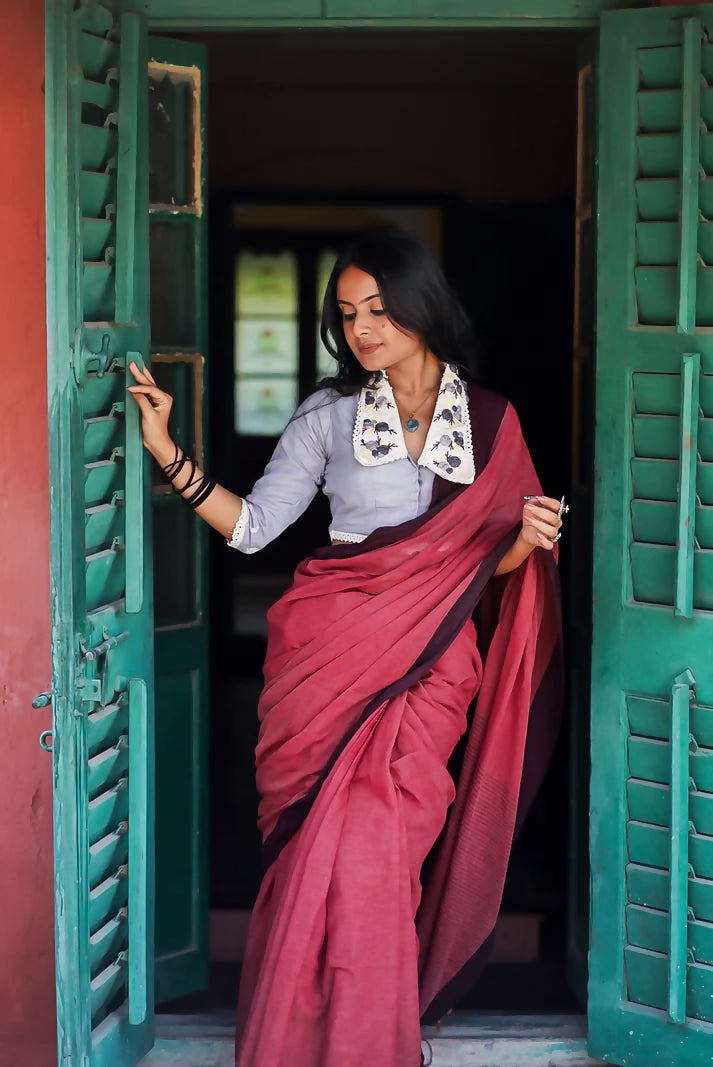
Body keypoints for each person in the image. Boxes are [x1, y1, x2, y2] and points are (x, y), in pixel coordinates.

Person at [128, 229, 565, 1067]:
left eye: (379, 307)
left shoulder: (490, 420)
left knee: (380, 847)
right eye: (347, 313)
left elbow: (492, 570)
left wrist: (520, 546)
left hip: (431, 671)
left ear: (422, 305)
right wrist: (168, 453)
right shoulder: (326, 416)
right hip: (326, 663)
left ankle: (370, 1038)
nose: (362, 327)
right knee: (315, 852)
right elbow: (254, 529)